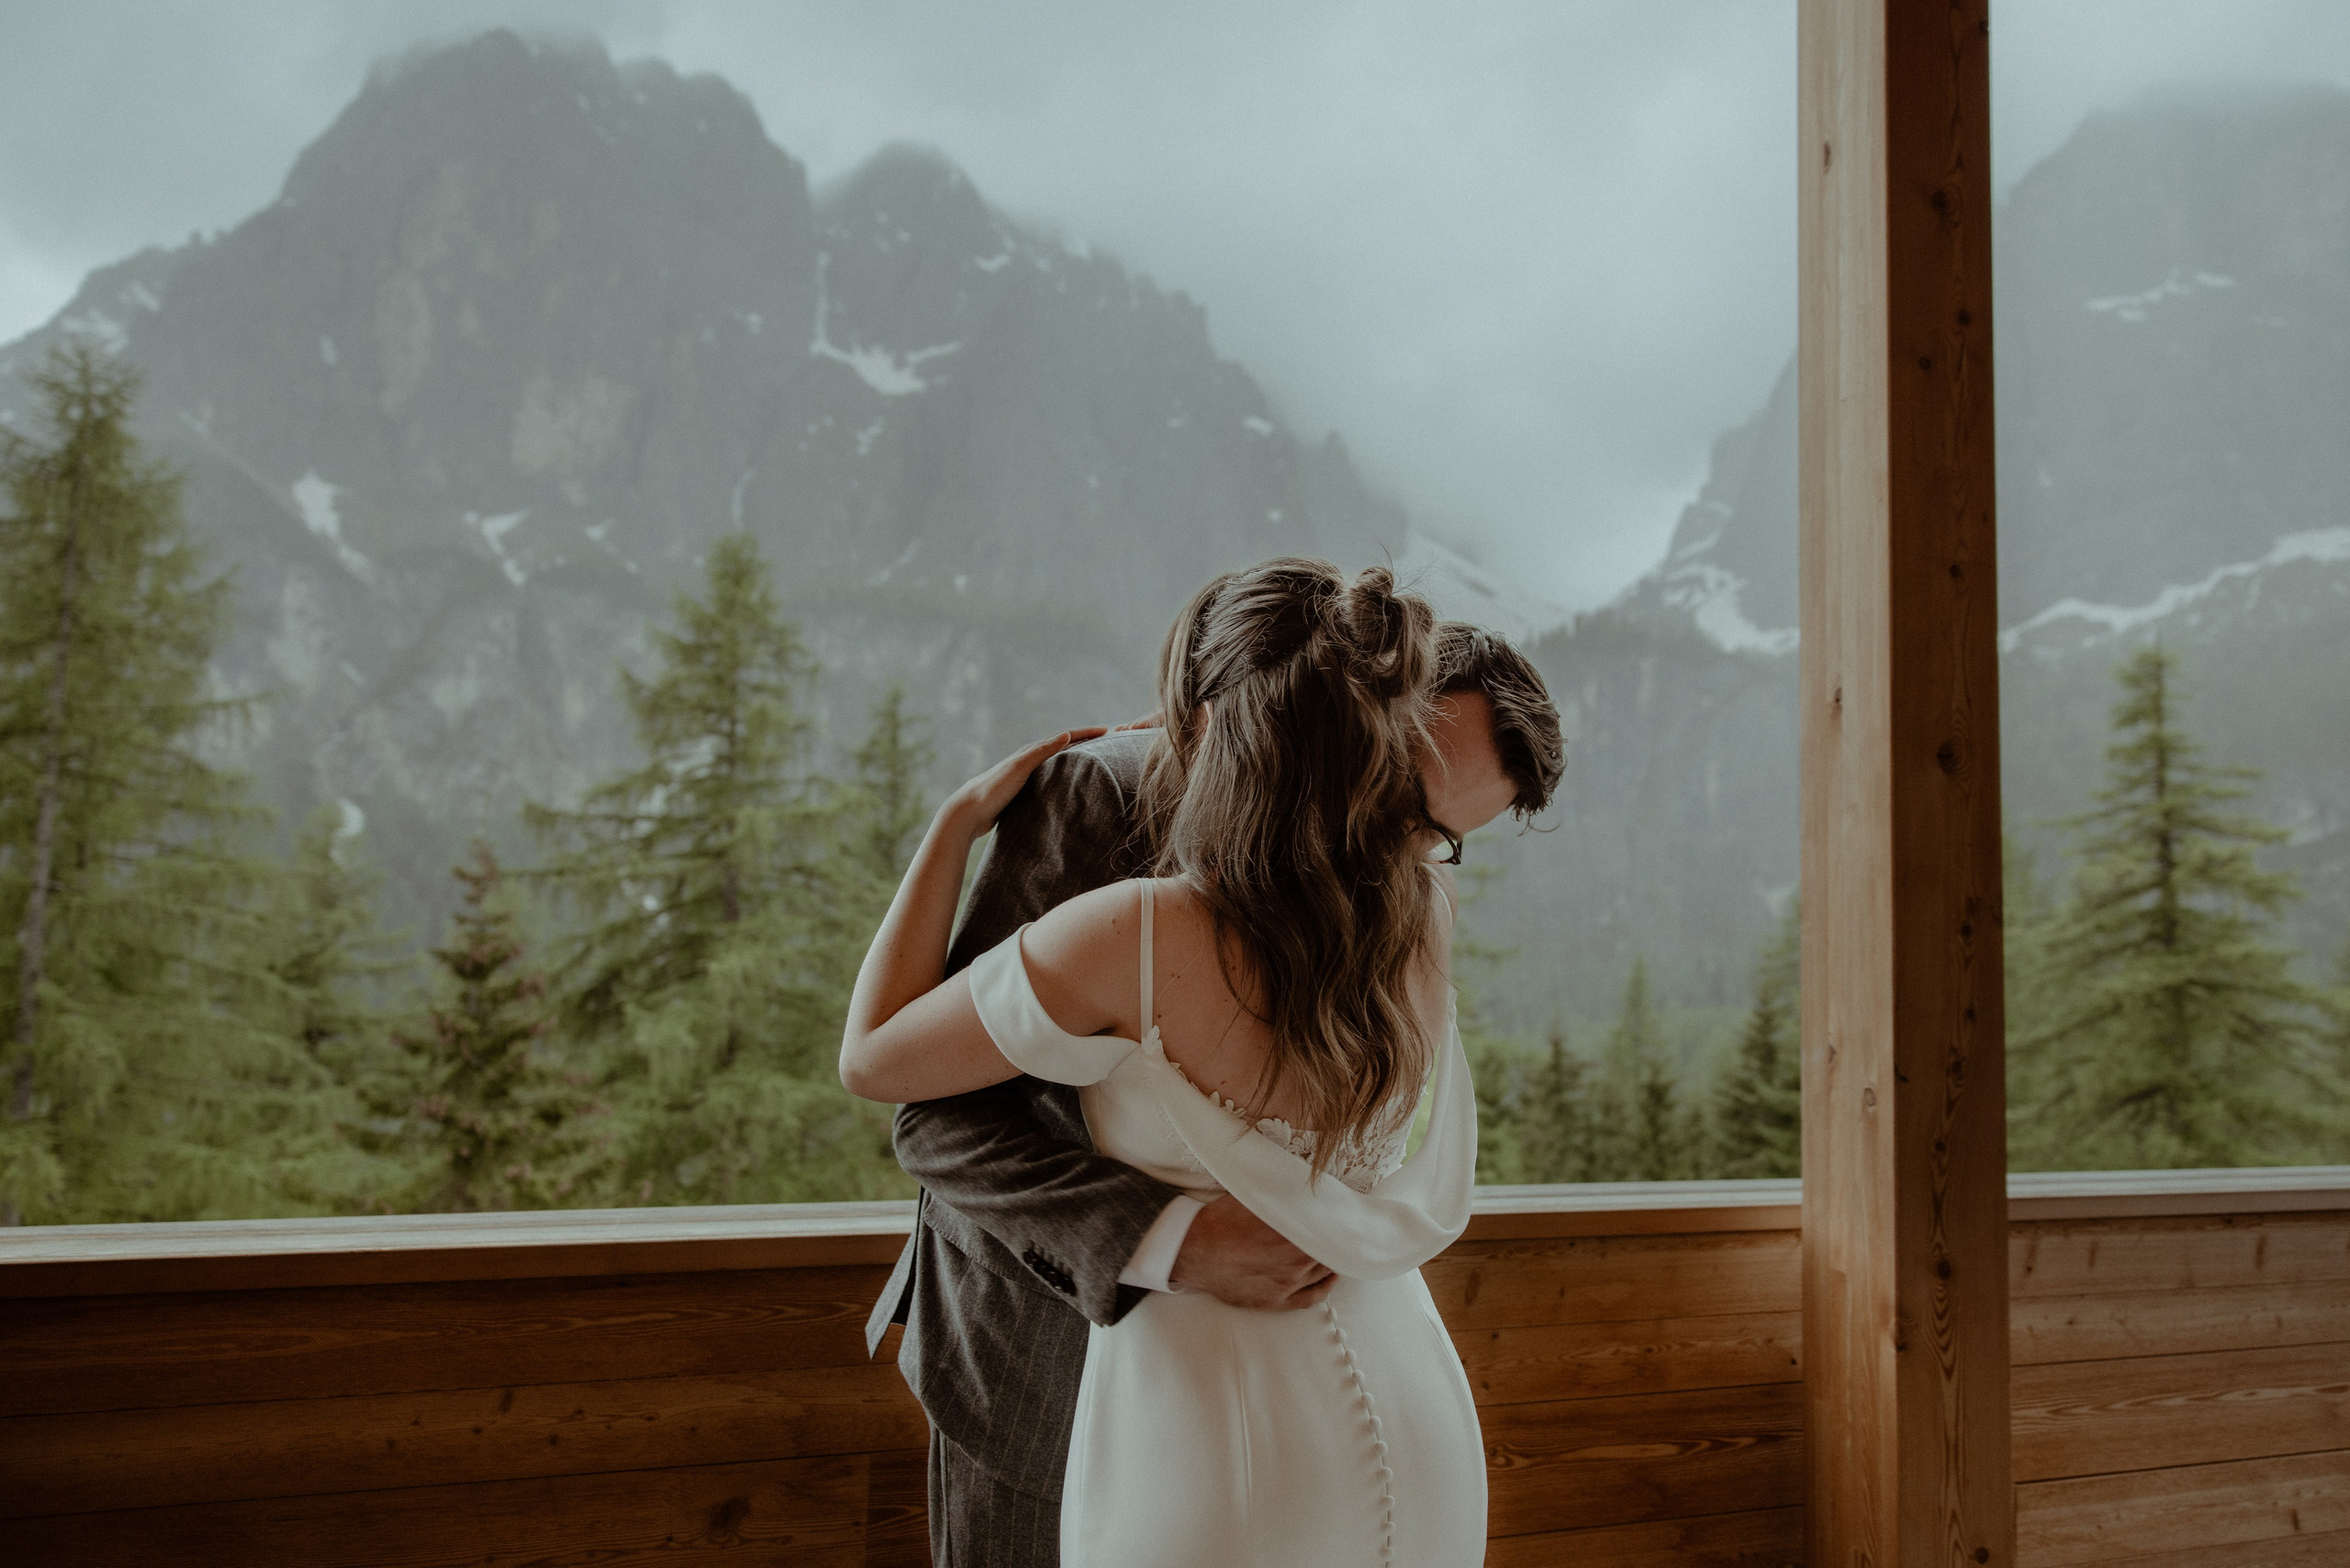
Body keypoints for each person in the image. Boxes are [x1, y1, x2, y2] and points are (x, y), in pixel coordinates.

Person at [845, 559, 1564, 1565]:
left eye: (1438, 838)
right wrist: (1162, 1237)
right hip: (1039, 1356)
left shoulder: (1400, 892)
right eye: (1401, 798)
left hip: (1324, 1387)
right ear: (1360, 707)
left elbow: (872, 1052)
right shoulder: (1098, 798)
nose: (1395, 849)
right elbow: (937, 1114)